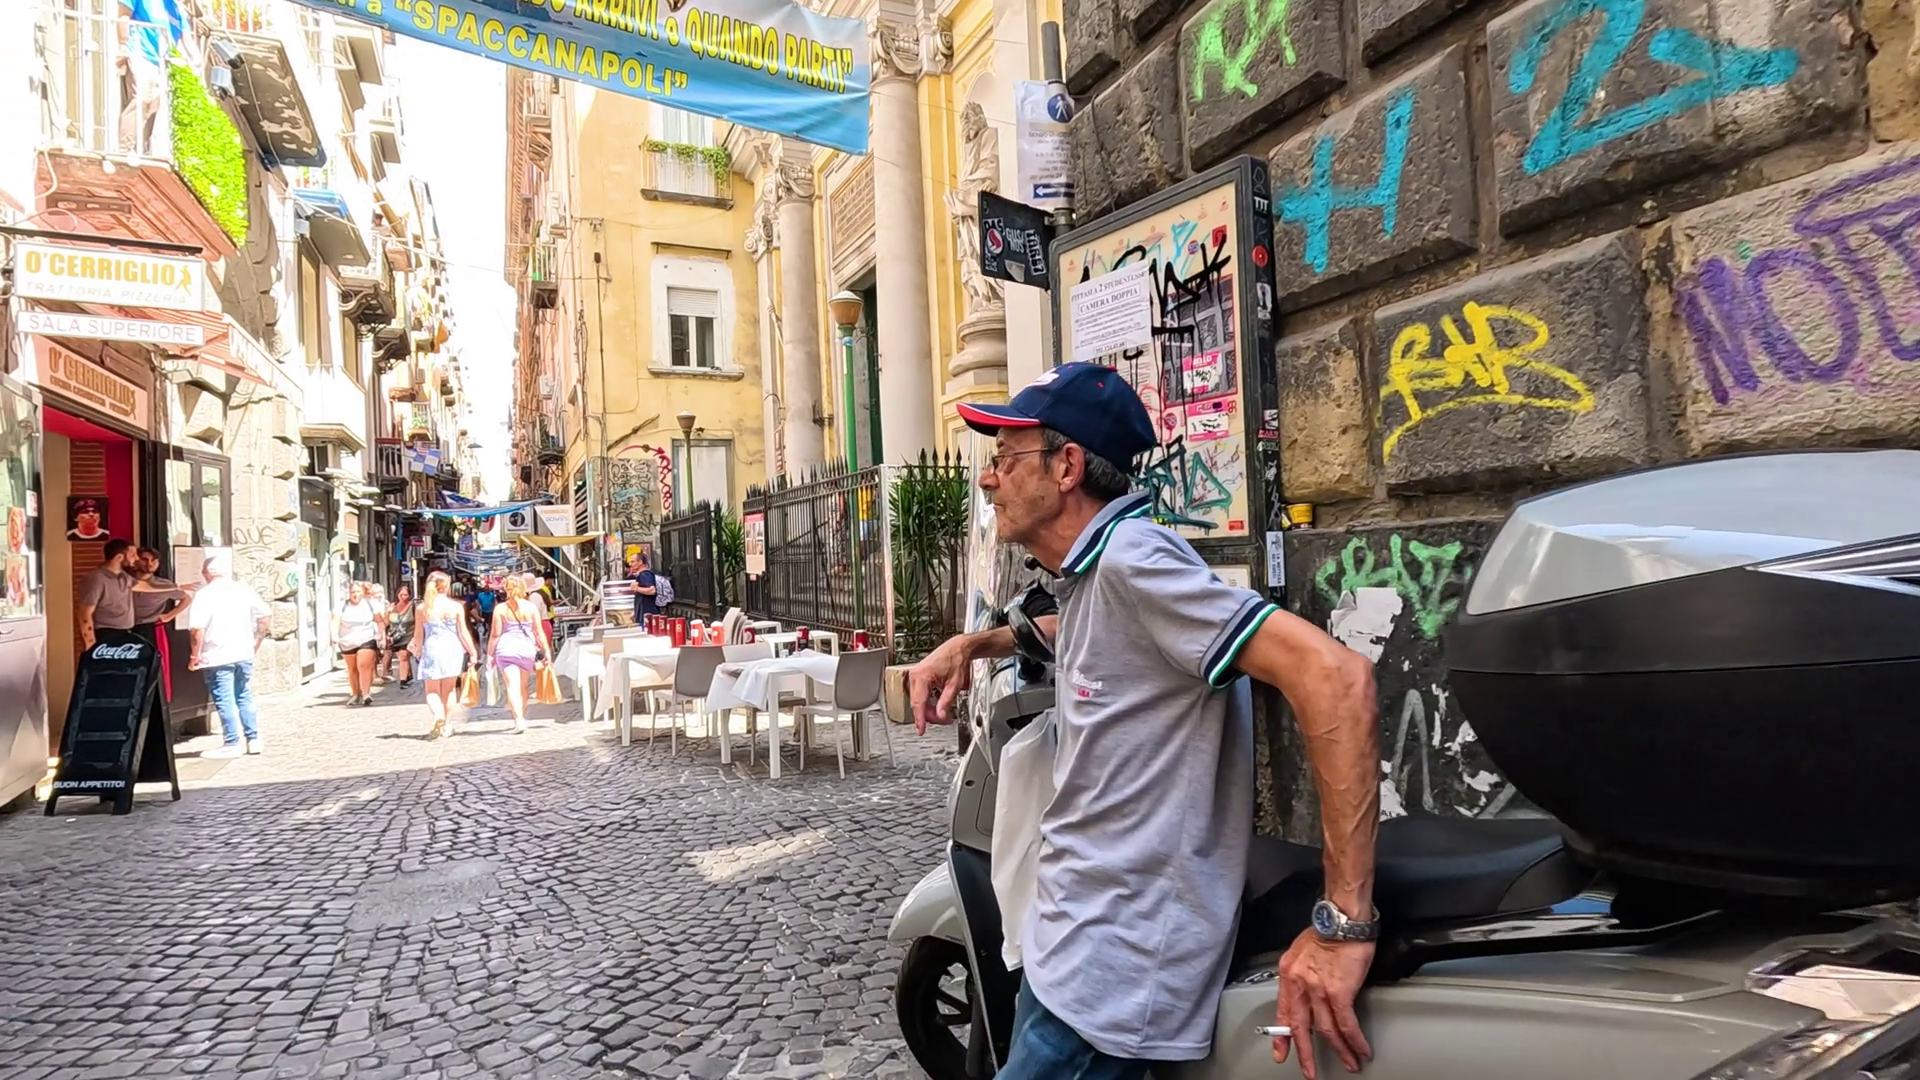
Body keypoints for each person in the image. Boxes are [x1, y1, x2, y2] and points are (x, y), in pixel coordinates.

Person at [908, 364, 1383, 1080]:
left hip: (1110, 975)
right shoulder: (1096, 570)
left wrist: (1343, 923)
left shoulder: (1136, 561)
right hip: (1074, 948)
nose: (987, 478)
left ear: (1066, 467)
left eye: (1005, 457)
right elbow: (1087, 636)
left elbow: (1336, 678)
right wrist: (975, 644)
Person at [183, 549, 271, 758]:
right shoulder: (243, 589)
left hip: (217, 654)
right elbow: (265, 616)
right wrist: (257, 641)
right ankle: (253, 739)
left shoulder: (204, 594)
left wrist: (195, 655)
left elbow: (197, 629)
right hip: (243, 652)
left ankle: (232, 742)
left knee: (225, 699)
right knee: (244, 695)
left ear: (206, 573)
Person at [78, 538, 194, 648]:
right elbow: (84, 614)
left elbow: (145, 587)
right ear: (119, 557)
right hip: (107, 633)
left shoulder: (123, 576)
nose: (136, 558)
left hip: (126, 633)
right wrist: (90, 645)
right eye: (133, 555)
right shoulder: (96, 578)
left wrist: (176, 586)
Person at [410, 570, 477, 739]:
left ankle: (438, 714)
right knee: (450, 690)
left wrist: (417, 649)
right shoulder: (456, 607)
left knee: (432, 690)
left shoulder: (422, 608)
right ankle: (447, 725)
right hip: (452, 649)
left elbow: (418, 634)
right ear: (446, 586)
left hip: (432, 649)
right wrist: (473, 652)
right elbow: (463, 632)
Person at [488, 575, 551, 734]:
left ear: (506, 589)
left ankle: (519, 720)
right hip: (526, 650)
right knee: (523, 686)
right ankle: (521, 716)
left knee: (512, 686)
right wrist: (547, 651)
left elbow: (495, 634)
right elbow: (538, 632)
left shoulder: (500, 609)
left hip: (506, 650)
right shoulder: (531, 607)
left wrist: (489, 654)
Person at [129, 547, 185, 699]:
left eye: (154, 560)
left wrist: (169, 616)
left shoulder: (163, 584)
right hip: (126, 628)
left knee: (155, 669)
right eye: (145, 559)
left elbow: (186, 598)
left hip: (152, 629)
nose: (150, 564)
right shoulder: (125, 581)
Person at [333, 581, 384, 706]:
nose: (355, 594)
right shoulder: (341, 606)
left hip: (366, 638)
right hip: (347, 640)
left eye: (358, 591)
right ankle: (356, 694)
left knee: (363, 665)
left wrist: (380, 634)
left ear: (363, 592)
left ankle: (366, 693)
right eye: (352, 592)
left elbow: (380, 621)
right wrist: (334, 635)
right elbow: (335, 621)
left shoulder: (371, 604)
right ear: (348, 593)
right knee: (353, 669)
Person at [383, 583, 416, 686]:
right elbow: (385, 623)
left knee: (403, 656)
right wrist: (388, 613)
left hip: (408, 636)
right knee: (402, 658)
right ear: (397, 595)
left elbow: (418, 622)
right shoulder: (392, 606)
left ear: (409, 595)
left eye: (405, 595)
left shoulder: (413, 606)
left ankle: (403, 681)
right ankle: (408, 675)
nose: (403, 597)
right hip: (395, 637)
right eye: (401, 595)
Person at [628, 552, 659, 623]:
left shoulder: (644, 574)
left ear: (640, 562)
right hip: (644, 613)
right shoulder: (642, 574)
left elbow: (652, 590)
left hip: (647, 613)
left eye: (632, 562)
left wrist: (636, 588)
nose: (630, 564)